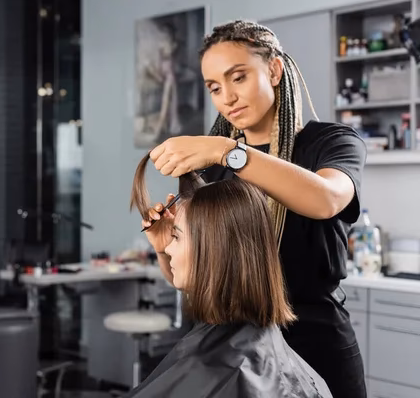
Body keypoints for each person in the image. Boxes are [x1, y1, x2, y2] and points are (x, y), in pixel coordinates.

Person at [142, 20, 367, 398]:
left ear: (274, 70)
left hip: (316, 346)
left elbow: (327, 199)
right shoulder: (212, 168)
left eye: (238, 77)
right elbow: (195, 277)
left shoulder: (330, 143)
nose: (227, 97)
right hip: (230, 354)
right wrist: (166, 248)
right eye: (215, 87)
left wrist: (227, 151)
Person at [128, 157, 332, 397]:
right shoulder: (259, 354)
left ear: (216, 251)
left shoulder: (227, 371)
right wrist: (163, 249)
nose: (170, 248)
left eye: (177, 237)